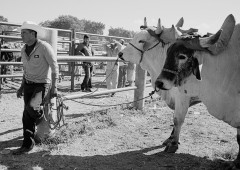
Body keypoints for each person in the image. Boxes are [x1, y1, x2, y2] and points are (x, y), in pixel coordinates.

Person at [13, 21, 59, 155]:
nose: (21, 35)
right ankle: (28, 141)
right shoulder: (23, 49)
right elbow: (25, 69)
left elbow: (54, 67)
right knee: (27, 113)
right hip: (28, 84)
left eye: (24, 33)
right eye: (21, 33)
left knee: (29, 111)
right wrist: (21, 87)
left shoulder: (44, 47)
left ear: (33, 34)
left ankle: (29, 141)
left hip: (41, 84)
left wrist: (54, 87)